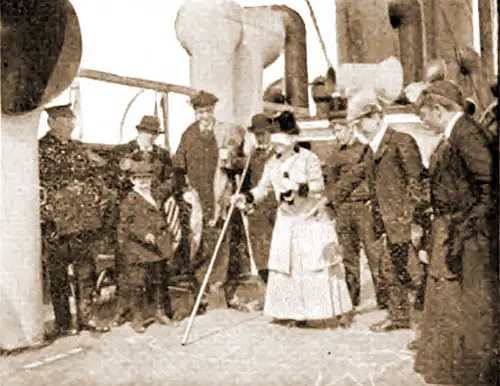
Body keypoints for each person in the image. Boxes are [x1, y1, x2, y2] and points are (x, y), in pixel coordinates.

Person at [231, 111, 353, 327]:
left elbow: (318, 186)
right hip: (287, 221)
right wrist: (246, 197)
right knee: (287, 266)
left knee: (313, 265)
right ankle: (292, 313)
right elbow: (263, 188)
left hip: (309, 218)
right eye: (273, 140)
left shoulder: (308, 158)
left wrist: (298, 187)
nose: (275, 145)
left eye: (279, 140)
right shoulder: (272, 163)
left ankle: (324, 311)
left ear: (290, 139)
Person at [413, 80, 498, 385]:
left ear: (438, 109)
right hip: (458, 230)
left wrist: (466, 227)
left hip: (471, 236)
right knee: (457, 302)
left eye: (424, 114)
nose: (422, 121)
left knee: (475, 304)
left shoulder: (466, 134)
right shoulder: (454, 135)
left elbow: (490, 185)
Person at [347, 89, 425, 332]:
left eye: (360, 123)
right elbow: (358, 177)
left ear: (376, 117)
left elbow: (417, 183)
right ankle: (399, 317)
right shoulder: (372, 147)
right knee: (390, 270)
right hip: (388, 224)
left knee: (416, 275)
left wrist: (414, 223)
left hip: (404, 223)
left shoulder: (401, 141)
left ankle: (428, 324)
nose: (358, 128)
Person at [173, 90, 250, 309]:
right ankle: (201, 294)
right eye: (199, 112)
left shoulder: (227, 132)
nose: (203, 117)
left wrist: (232, 161)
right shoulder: (189, 134)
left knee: (222, 244)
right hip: (197, 199)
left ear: (213, 111)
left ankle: (218, 293)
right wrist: (185, 190)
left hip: (220, 196)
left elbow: (244, 164)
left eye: (206, 112)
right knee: (199, 245)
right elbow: (178, 166)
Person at [39, 104, 111, 338]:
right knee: (58, 274)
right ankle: (63, 322)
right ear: (51, 122)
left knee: (85, 271)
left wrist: (96, 195)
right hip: (55, 223)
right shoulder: (39, 149)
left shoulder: (79, 148)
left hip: (82, 221)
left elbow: (96, 172)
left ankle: (87, 317)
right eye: (64, 119)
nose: (70, 123)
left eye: (71, 118)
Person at [112, 115, 174, 325]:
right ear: (139, 132)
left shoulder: (162, 155)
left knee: (158, 269)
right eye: (147, 132)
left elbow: (171, 179)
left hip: (154, 208)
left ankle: (159, 310)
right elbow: (113, 180)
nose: (150, 137)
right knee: (130, 271)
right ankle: (126, 311)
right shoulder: (124, 152)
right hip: (132, 213)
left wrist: (158, 194)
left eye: (154, 134)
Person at [323, 115, 388, 310]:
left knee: (374, 254)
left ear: (351, 127)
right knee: (348, 257)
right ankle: (351, 299)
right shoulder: (334, 154)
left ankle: (385, 300)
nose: (337, 135)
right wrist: (331, 208)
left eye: (339, 130)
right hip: (343, 209)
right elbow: (330, 182)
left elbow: (366, 177)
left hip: (363, 207)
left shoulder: (365, 150)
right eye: (333, 131)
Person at [115, 160, 181, 333]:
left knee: (160, 281)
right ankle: (137, 318)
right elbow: (125, 225)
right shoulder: (129, 200)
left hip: (157, 247)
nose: (144, 182)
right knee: (138, 284)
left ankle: (160, 313)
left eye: (147, 178)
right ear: (132, 180)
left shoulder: (155, 195)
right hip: (138, 249)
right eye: (139, 178)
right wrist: (144, 234)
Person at [241, 113, 278, 281]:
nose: (260, 138)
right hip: (257, 210)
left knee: (277, 252)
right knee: (260, 253)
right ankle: (266, 293)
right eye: (257, 135)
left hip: (276, 209)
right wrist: (246, 202)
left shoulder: (279, 153)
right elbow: (246, 180)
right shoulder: (253, 154)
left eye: (263, 134)